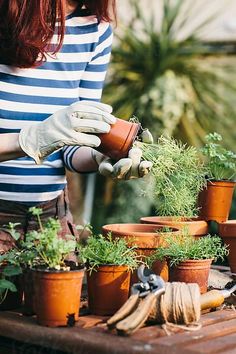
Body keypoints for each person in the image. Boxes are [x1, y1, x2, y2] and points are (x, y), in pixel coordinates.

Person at [0, 0, 152, 251]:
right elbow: (45, 137)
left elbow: (73, 141)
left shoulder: (94, 29)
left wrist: (100, 155)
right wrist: (29, 140)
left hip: (49, 219)